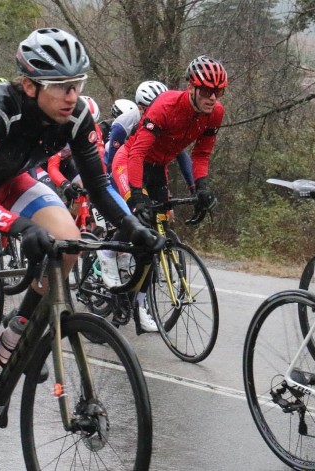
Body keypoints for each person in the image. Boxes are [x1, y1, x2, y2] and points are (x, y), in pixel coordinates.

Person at [0, 28, 163, 470]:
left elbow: (98, 184)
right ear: (31, 85)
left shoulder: (77, 118)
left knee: (68, 242)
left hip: (13, 176)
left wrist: (133, 228)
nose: (73, 96)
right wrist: (19, 227)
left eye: (78, 85)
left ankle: (15, 332)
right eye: (62, 87)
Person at [108, 56, 227, 331]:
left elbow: (201, 153)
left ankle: (140, 302)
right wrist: (137, 196)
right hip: (130, 161)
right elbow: (137, 152)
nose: (212, 97)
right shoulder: (166, 105)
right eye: (207, 90)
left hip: (158, 166)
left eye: (218, 92)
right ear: (191, 87)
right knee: (140, 219)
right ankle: (109, 255)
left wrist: (201, 188)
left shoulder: (215, 113)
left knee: (157, 238)